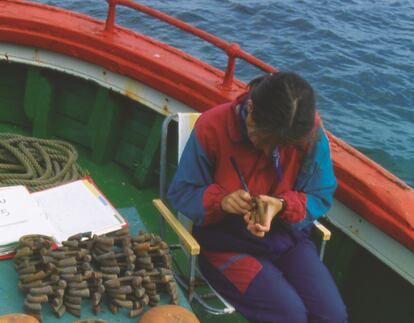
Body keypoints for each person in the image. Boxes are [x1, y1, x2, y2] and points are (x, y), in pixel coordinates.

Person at [168, 71, 347, 323]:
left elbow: (320, 194)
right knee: (289, 316)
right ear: (250, 108)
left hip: (287, 240)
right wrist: (221, 201)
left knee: (332, 316)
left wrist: (281, 205)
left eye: (281, 146)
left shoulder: (308, 134)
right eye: (262, 140)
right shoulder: (212, 127)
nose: (268, 151)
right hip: (226, 245)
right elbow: (181, 192)